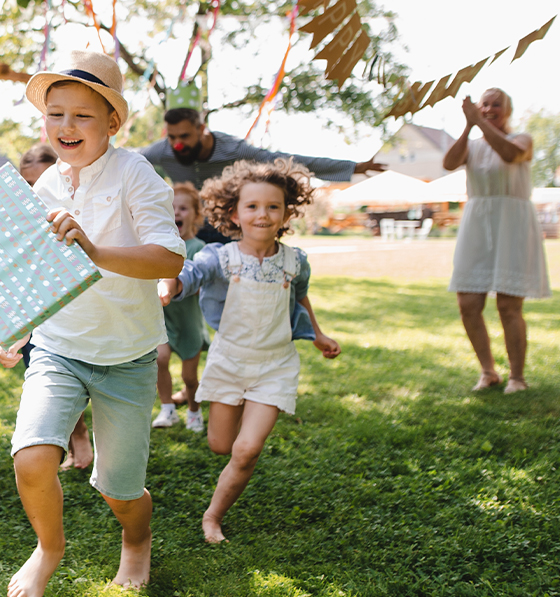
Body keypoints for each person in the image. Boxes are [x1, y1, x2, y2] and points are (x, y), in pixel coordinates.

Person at [0, 50, 186, 597]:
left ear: (112, 123)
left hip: (126, 356)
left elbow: (170, 258)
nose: (66, 127)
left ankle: (136, 538)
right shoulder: (44, 185)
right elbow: (36, 269)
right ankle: (48, 549)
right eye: (55, 114)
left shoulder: (135, 174)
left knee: (118, 490)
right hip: (57, 346)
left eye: (82, 115)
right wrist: (17, 327)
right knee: (32, 457)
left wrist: (97, 250)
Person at [160, 159, 340, 544]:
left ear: (287, 212)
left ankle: (213, 517)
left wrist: (318, 335)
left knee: (245, 450)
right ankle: (242, 416)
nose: (263, 214)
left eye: (273, 206)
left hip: (275, 365)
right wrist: (171, 284)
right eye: (252, 206)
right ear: (233, 212)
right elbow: (190, 275)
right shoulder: (219, 258)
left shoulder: (296, 262)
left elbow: (300, 298)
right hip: (228, 361)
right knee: (220, 445)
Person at [139, 108, 387, 243]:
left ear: (202, 129)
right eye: (172, 137)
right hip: (188, 228)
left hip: (227, 226)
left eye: (184, 136)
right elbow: (128, 159)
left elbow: (287, 160)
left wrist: (353, 167)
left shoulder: (233, 149)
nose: (177, 144)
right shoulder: (163, 150)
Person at [444, 88, 550, 394]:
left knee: (508, 305)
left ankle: (517, 377)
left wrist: (481, 123)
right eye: (484, 104)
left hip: (512, 223)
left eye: (496, 104)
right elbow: (449, 163)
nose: (490, 109)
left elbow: (510, 154)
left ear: (508, 110)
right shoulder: (473, 143)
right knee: (467, 303)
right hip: (478, 222)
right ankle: (488, 371)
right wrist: (468, 125)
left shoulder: (522, 139)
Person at [15, 144, 94, 470]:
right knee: (44, 372)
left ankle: (88, 434)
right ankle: (74, 436)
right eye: (27, 185)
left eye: (40, 183)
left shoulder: (73, 213)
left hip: (77, 309)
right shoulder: (17, 222)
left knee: (81, 374)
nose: (35, 193)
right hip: (35, 312)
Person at [152, 182, 207, 432]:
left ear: (196, 215)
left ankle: (194, 411)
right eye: (171, 208)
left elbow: (197, 280)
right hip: (163, 320)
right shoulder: (157, 248)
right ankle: (167, 409)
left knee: (189, 377)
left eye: (183, 208)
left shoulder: (199, 249)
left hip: (189, 323)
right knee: (159, 360)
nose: (176, 213)